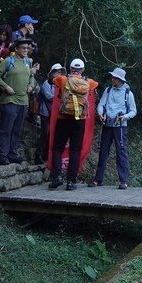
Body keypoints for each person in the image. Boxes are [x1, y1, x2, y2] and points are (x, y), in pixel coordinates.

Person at [48, 58, 99, 191]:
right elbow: (97, 85)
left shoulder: (63, 80)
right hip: (79, 120)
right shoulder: (89, 82)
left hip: (63, 118)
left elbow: (51, 80)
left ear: (70, 68)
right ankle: (71, 181)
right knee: (75, 150)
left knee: (57, 148)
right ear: (82, 70)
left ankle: (57, 176)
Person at [91, 67, 137, 189]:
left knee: (121, 152)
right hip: (107, 124)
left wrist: (124, 117)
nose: (112, 79)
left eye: (115, 78)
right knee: (103, 151)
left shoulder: (128, 94)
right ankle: (98, 179)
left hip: (120, 126)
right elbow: (101, 104)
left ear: (120, 79)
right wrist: (101, 113)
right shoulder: (108, 90)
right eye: (112, 77)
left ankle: (123, 181)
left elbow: (133, 111)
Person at [0, 38, 37, 165]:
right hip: (9, 99)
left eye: (27, 48)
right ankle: (3, 155)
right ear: (16, 49)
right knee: (6, 128)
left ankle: (12, 153)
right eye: (23, 48)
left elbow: (31, 77)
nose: (26, 50)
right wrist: (6, 87)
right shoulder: (8, 61)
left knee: (17, 129)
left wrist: (31, 85)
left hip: (23, 100)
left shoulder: (27, 62)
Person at [36, 63, 64, 165]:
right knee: (45, 133)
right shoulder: (46, 83)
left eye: (60, 72)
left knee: (53, 134)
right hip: (46, 112)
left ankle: (46, 154)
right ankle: (39, 154)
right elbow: (49, 96)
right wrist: (60, 96)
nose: (58, 74)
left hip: (56, 113)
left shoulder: (61, 85)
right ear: (52, 73)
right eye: (57, 72)